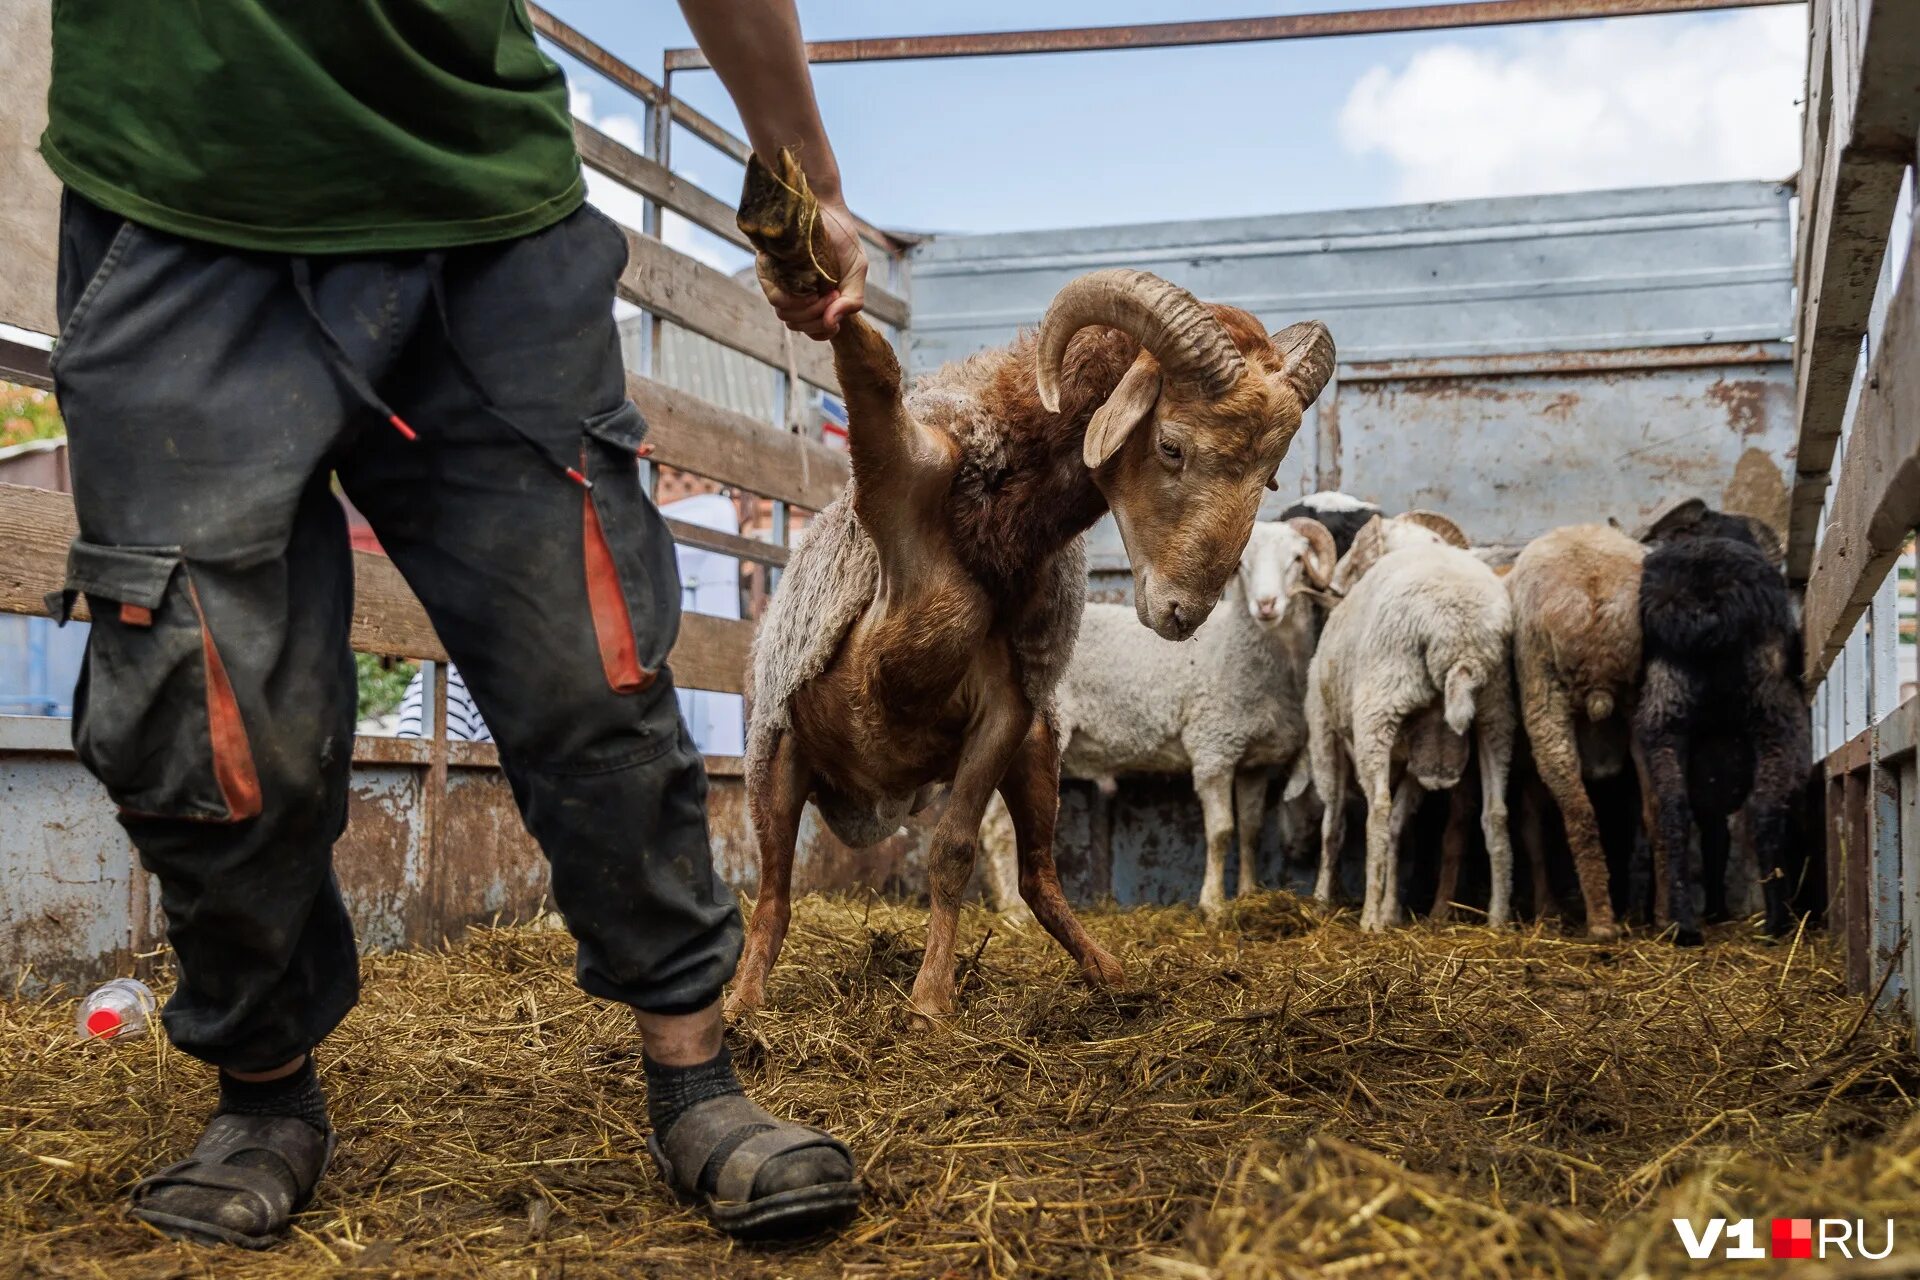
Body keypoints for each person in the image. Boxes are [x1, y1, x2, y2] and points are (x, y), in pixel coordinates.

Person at [41, 0, 866, 1247]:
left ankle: (696, 1075)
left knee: (593, 657)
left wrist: (803, 178)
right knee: (204, 698)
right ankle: (263, 1093)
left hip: (483, 215)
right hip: (182, 199)